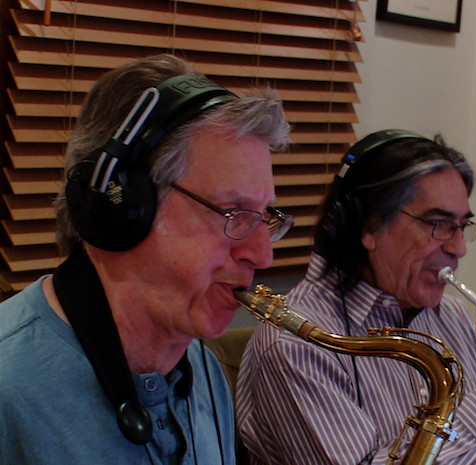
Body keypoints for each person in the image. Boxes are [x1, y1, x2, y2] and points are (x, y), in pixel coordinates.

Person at [236, 129, 476, 464]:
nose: (459, 248)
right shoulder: (295, 344)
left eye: (462, 227)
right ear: (368, 226)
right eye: (439, 225)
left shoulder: (450, 315)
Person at [0, 54, 292, 464]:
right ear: (118, 209)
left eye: (264, 216)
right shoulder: (8, 389)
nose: (263, 254)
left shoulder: (204, 372)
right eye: (232, 212)